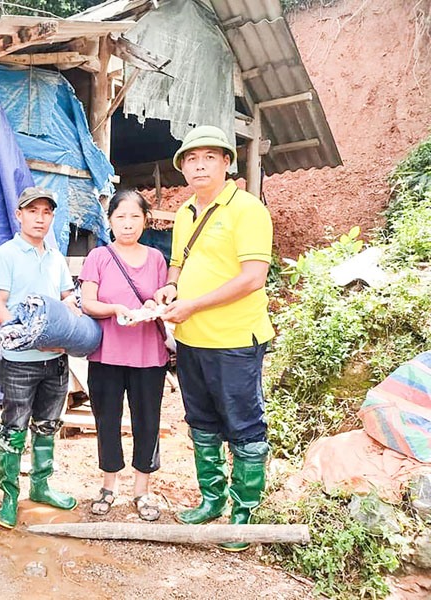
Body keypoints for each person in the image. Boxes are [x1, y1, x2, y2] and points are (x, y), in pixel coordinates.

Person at [156, 125, 274, 551]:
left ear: (227, 163)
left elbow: (252, 278)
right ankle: (212, 499)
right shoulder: (186, 211)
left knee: (243, 424)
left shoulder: (247, 210)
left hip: (235, 340)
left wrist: (193, 304)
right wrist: (171, 288)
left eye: (210, 156)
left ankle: (242, 513)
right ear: (183, 167)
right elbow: (176, 265)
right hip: (191, 339)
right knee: (201, 422)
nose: (200, 164)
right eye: (191, 158)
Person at [0, 187, 79, 529]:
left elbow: (68, 296)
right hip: (18, 360)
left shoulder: (56, 257)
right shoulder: (4, 255)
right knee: (13, 429)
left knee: (47, 425)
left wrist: (69, 322)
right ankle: (9, 496)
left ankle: (40, 486)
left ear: (52, 218)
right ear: (19, 215)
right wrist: (28, 335)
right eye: (33, 211)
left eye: (46, 212)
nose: (40, 218)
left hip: (55, 359)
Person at [79, 190, 170, 521]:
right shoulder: (98, 257)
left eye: (134, 217)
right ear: (110, 221)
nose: (128, 224)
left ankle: (142, 490)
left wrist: (151, 307)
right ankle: (108, 486)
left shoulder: (157, 259)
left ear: (145, 220)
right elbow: (87, 302)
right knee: (107, 420)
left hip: (149, 355)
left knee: (148, 421)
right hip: (106, 354)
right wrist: (115, 308)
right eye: (121, 217)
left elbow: (162, 302)